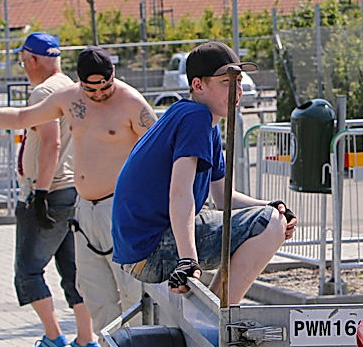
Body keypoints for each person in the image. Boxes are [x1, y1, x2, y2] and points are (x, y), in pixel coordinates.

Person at [0, 47, 153, 347]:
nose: (98, 95)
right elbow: (22, 117)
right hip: (85, 209)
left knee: (132, 295)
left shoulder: (131, 103)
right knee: (97, 296)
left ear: (112, 77)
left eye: (104, 87)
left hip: (122, 209)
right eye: (91, 90)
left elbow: (158, 151)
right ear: (80, 82)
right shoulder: (68, 99)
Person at [112, 42, 296, 300]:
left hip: (140, 250)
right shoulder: (195, 117)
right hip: (152, 249)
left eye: (239, 81)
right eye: (226, 82)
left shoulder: (201, 121)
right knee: (270, 223)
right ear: (198, 85)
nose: (237, 90)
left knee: (270, 217)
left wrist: (269, 205)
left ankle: (216, 311)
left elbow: (223, 197)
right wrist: (187, 259)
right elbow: (180, 192)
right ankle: (222, 316)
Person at [10, 32, 97, 347]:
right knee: (71, 268)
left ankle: (52, 335)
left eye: (23, 62)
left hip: (50, 190)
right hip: (74, 190)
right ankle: (86, 339)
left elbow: (50, 143)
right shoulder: (74, 89)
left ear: (32, 60)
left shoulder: (43, 93)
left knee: (28, 270)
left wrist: (40, 192)